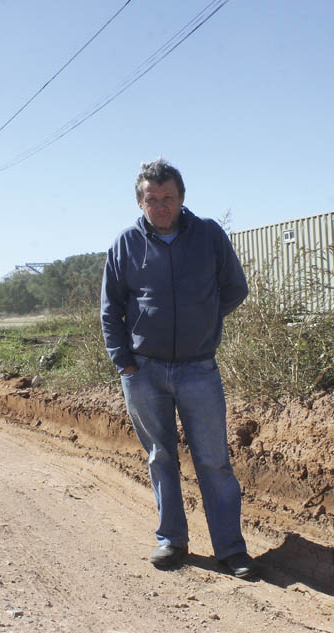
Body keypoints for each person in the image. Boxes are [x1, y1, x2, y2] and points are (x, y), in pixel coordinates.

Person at [100, 157, 255, 578]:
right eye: (153, 199)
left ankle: (231, 549)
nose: (161, 206)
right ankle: (172, 541)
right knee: (159, 456)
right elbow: (110, 310)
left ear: (182, 198)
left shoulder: (207, 235)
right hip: (144, 371)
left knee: (214, 461)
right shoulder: (125, 244)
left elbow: (234, 288)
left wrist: (204, 320)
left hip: (198, 368)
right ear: (140, 201)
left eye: (168, 197)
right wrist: (124, 364)